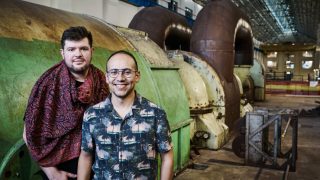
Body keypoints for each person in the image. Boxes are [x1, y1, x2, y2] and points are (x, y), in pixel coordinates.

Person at [23, 26, 109, 180]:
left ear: (92, 51)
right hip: (59, 170)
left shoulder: (101, 80)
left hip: (97, 167)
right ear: (62, 53)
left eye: (83, 48)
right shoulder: (48, 83)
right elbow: (28, 134)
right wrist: (52, 173)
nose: (78, 54)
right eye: (71, 49)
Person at [77, 50, 174, 180]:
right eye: (114, 72)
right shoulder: (92, 115)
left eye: (127, 72)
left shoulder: (156, 114)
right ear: (107, 77)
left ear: (137, 76)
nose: (120, 78)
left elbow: (167, 156)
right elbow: (86, 156)